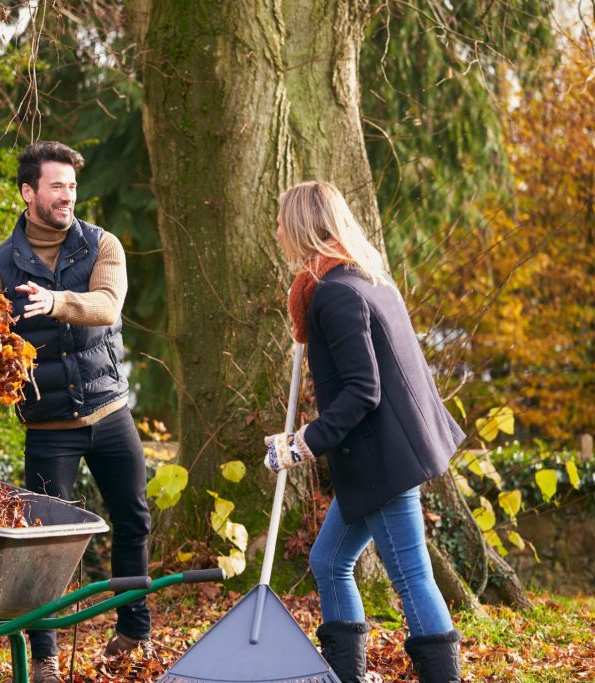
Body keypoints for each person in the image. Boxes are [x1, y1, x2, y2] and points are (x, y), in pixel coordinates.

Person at [263, 181, 464, 683]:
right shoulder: (367, 279)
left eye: (283, 221)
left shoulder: (336, 295)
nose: (278, 231)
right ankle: (344, 677)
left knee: (412, 575)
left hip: (382, 459)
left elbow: (362, 391)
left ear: (306, 227)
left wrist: (302, 443)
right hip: (385, 453)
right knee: (329, 560)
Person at [0, 141, 152, 683]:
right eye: (56, 186)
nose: (67, 195)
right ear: (29, 192)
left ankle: (133, 632)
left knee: (134, 520)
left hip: (109, 413)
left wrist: (54, 302)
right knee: (44, 544)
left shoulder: (102, 245)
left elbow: (107, 306)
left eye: (72, 186)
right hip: (49, 430)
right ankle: (46, 657)